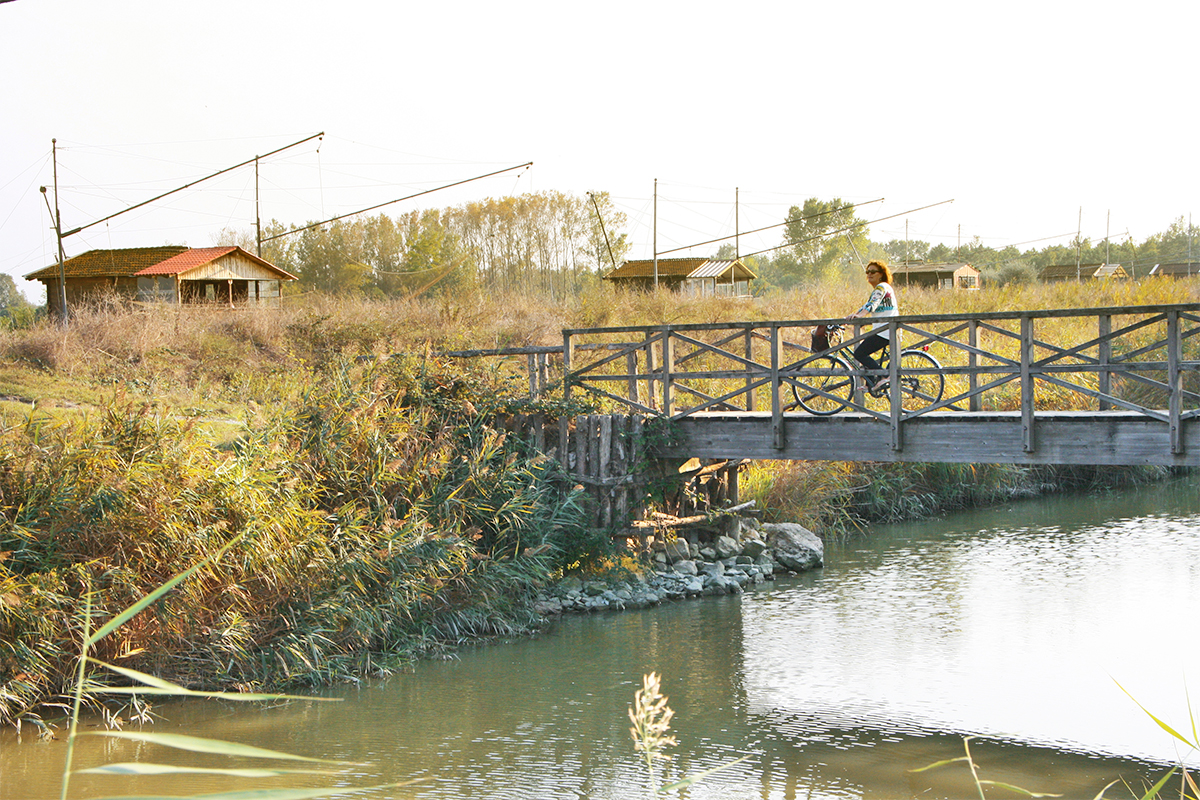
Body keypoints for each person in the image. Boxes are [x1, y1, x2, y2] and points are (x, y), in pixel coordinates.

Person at [847, 259, 898, 392]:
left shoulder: (881, 287)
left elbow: (872, 304)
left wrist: (860, 316)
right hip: (887, 331)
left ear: (881, 274)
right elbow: (867, 305)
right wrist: (854, 314)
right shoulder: (883, 288)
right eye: (867, 272)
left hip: (885, 331)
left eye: (873, 272)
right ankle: (873, 382)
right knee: (866, 355)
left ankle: (884, 375)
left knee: (860, 353)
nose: (869, 274)